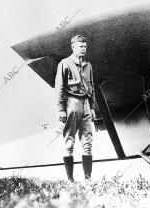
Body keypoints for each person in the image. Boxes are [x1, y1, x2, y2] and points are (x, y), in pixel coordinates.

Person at [55, 35, 96, 182]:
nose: (83, 49)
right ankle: (70, 180)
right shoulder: (64, 63)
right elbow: (59, 87)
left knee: (88, 141)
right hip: (71, 103)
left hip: (85, 103)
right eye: (80, 46)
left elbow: (92, 86)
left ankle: (87, 179)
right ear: (73, 47)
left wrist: (92, 106)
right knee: (69, 141)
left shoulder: (88, 65)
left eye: (85, 46)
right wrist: (61, 108)